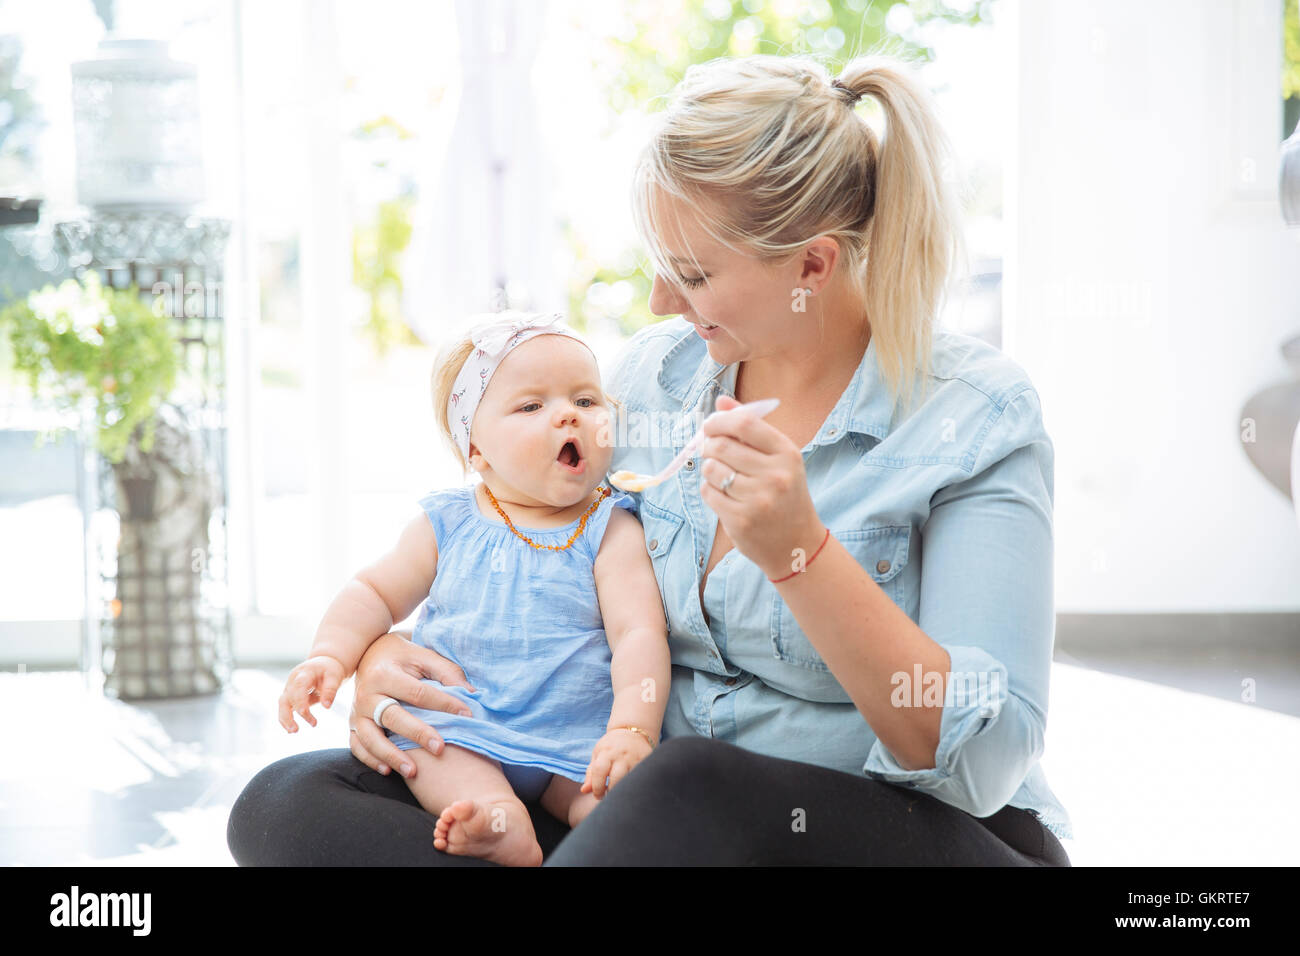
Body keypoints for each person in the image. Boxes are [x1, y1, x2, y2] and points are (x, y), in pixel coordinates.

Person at [228, 51, 1074, 866]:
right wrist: (383, 663)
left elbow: (983, 754)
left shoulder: (974, 417)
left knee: (690, 783)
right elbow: (525, 549)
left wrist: (800, 555)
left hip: (895, 829)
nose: (662, 302)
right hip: (644, 823)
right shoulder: (656, 378)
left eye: (694, 274)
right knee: (290, 802)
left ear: (812, 264)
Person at [272, 311, 670, 866]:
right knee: (431, 753)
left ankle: (584, 835)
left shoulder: (611, 527)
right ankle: (498, 822)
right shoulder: (449, 522)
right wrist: (329, 657)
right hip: (466, 728)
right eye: (532, 406)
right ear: (476, 451)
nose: (567, 417)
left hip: (572, 743)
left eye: (585, 400)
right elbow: (373, 593)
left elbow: (639, 635)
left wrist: (632, 729)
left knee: (618, 808)